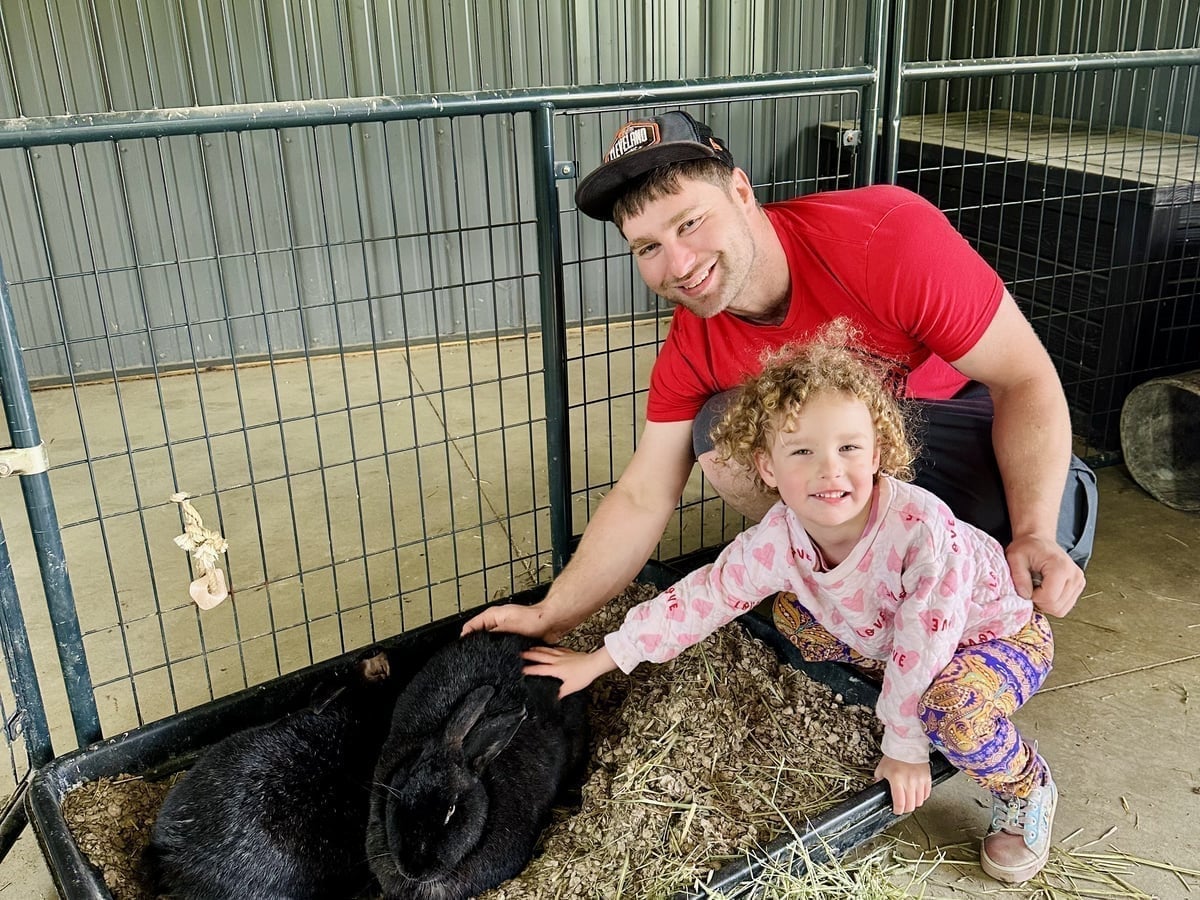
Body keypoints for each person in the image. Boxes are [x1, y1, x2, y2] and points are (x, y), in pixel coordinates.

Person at [463, 109, 1094, 642]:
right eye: (647, 247)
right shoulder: (693, 346)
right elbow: (642, 495)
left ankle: (1034, 525)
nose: (677, 265)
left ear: (741, 192)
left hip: (960, 431)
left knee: (1008, 544)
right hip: (868, 470)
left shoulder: (883, 235)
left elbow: (1024, 380)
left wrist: (1034, 529)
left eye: (689, 223)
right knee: (718, 428)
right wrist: (553, 614)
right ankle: (851, 586)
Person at [522, 327, 1058, 885]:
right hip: (898, 637)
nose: (829, 470)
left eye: (848, 448)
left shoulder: (921, 530)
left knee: (947, 711)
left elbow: (926, 642)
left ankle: (1027, 787)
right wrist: (600, 659)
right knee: (793, 614)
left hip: (997, 637)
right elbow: (704, 595)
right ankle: (886, 686)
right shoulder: (779, 536)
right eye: (802, 451)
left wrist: (904, 746)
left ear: (878, 451)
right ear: (768, 468)